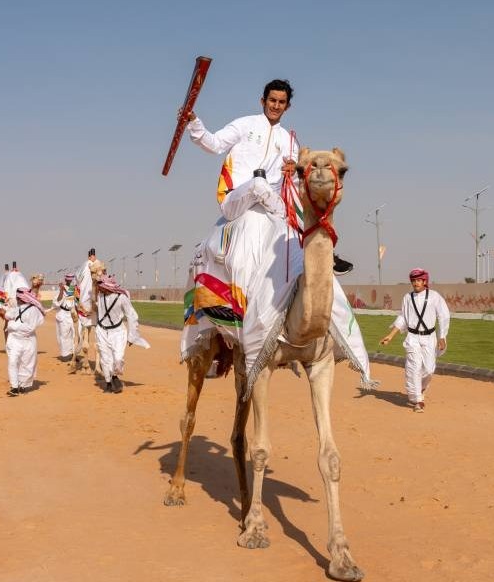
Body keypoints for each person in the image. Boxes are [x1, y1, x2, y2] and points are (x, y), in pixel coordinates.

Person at [180, 79, 372, 389]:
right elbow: (213, 143)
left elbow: (294, 186)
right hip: (237, 199)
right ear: (263, 100)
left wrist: (291, 174)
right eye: (272, 100)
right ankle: (231, 329)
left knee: (302, 253)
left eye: (282, 102)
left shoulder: (290, 141)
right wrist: (193, 122)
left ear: (287, 106)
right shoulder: (245, 125)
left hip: (273, 208)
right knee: (257, 185)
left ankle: (329, 337)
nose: (276, 105)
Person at [379, 268, 450, 412]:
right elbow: (403, 318)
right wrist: (390, 336)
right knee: (414, 367)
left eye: (418, 280)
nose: (416, 283)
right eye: (413, 281)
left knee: (429, 369)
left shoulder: (435, 297)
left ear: (425, 281)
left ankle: (421, 388)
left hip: (429, 338)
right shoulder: (407, 298)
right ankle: (418, 399)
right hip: (412, 338)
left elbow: (444, 316)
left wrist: (442, 336)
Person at [93, 274, 149, 393]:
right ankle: (109, 383)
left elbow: (131, 315)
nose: (99, 288)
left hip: (118, 332)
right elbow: (93, 293)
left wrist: (132, 335)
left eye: (101, 286)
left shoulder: (121, 298)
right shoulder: (100, 295)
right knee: (105, 358)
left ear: (106, 287)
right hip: (102, 331)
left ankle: (114, 376)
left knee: (118, 357)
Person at [0, 287, 46, 396]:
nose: (16, 299)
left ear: (21, 298)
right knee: (13, 361)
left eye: (17, 297)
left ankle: (23, 385)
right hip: (15, 340)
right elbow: (8, 315)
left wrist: (12, 326)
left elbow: (30, 328)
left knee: (27, 364)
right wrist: (3, 313)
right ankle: (15, 387)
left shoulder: (34, 310)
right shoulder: (16, 308)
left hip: (28, 340)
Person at [54, 272, 78, 361]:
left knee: (72, 335)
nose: (70, 280)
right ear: (66, 279)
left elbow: (74, 302)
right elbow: (57, 301)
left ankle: (72, 353)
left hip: (70, 314)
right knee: (64, 335)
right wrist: (61, 290)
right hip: (62, 313)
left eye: (71, 278)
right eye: (68, 278)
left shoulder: (72, 289)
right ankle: (64, 355)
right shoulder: (61, 289)